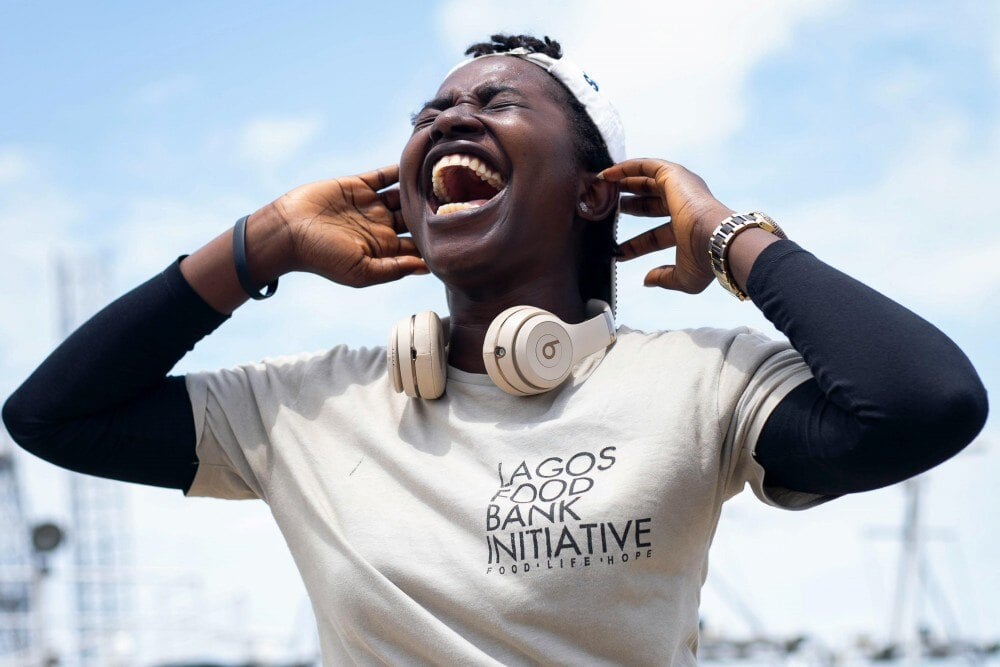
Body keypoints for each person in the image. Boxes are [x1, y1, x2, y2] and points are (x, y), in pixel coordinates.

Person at [2, 34, 988, 665]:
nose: (453, 115)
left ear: (597, 190)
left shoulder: (701, 384)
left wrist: (731, 235)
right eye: (432, 111)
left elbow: (925, 402)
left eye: (500, 102)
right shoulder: (303, 408)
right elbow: (51, 416)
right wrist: (255, 243)